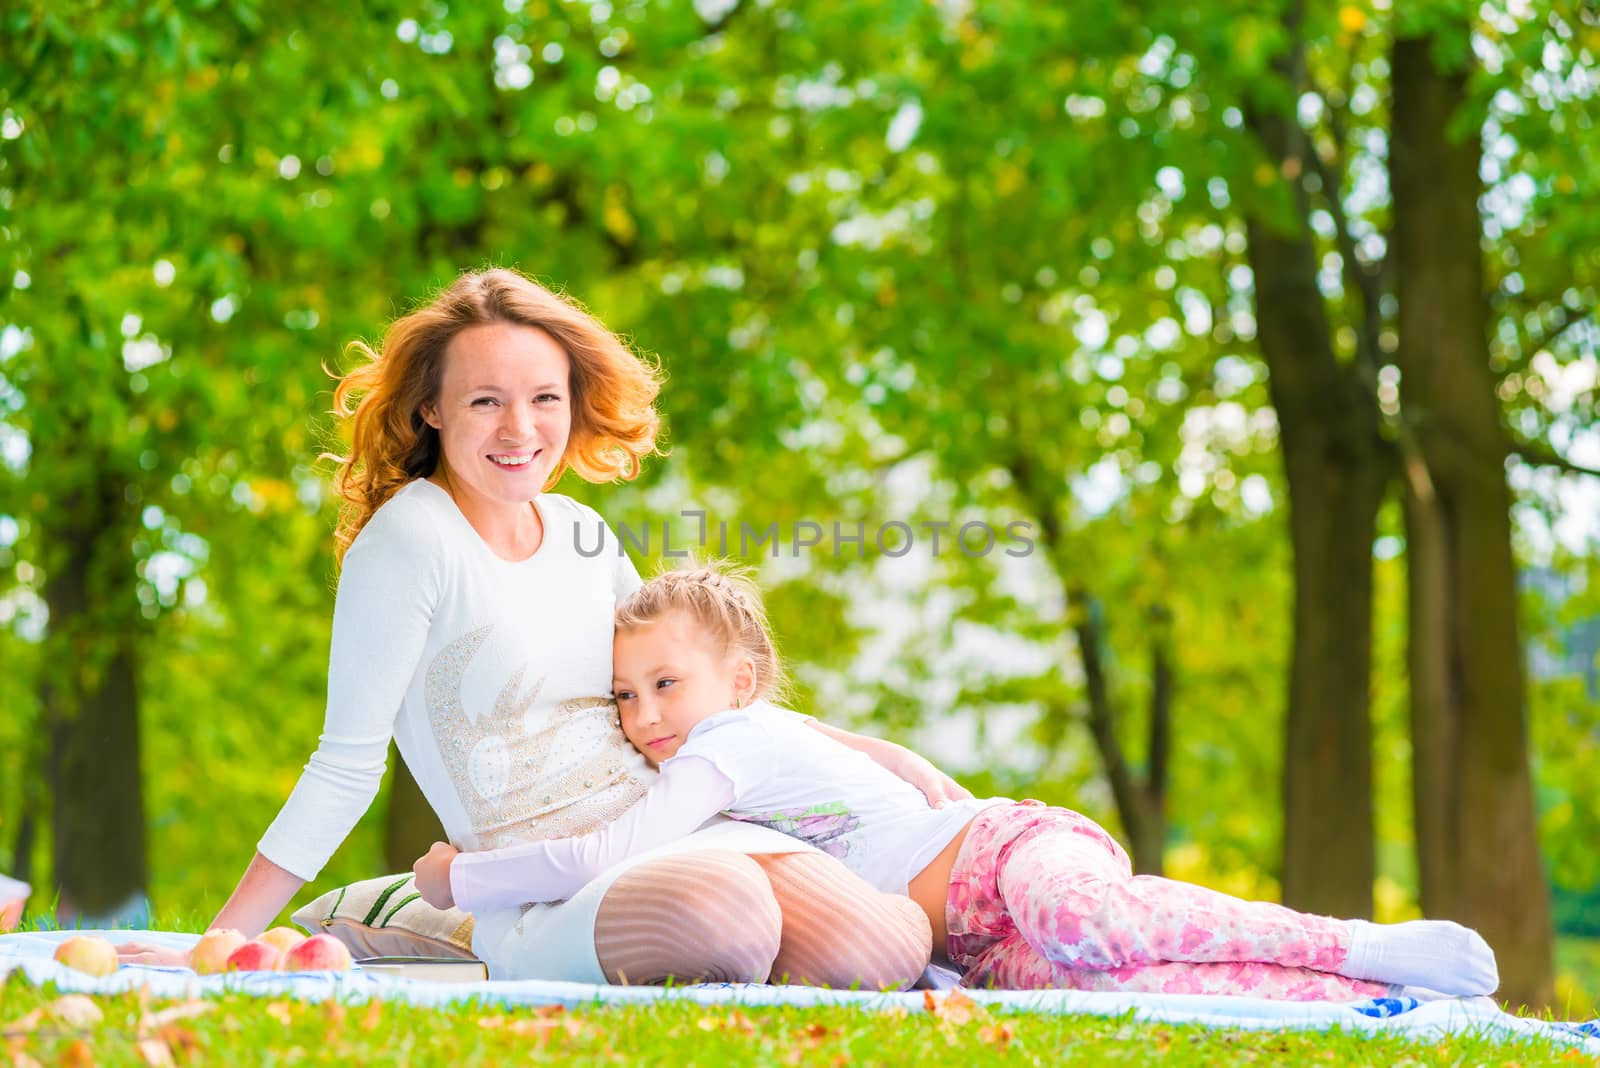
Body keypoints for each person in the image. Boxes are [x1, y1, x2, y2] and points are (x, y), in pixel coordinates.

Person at [118, 268, 948, 988]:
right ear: (433, 410)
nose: (520, 430)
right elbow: (344, 767)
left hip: (670, 823)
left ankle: (416, 914)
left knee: (883, 942)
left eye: (544, 399)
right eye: (486, 401)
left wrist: (884, 756)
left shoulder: (584, 529)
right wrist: (218, 942)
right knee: (728, 920)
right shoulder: (410, 539)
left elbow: (700, 700)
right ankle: (405, 913)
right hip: (544, 881)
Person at [413, 564, 1501, 1000]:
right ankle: (1367, 1005)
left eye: (663, 684)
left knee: (1096, 927)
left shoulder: (723, 748)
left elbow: (609, 857)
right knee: (1117, 994)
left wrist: (466, 878)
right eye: (622, 699)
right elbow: (883, 760)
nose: (642, 717)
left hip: (1001, 855)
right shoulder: (753, 748)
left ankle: (1358, 944)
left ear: (736, 681)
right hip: (960, 939)